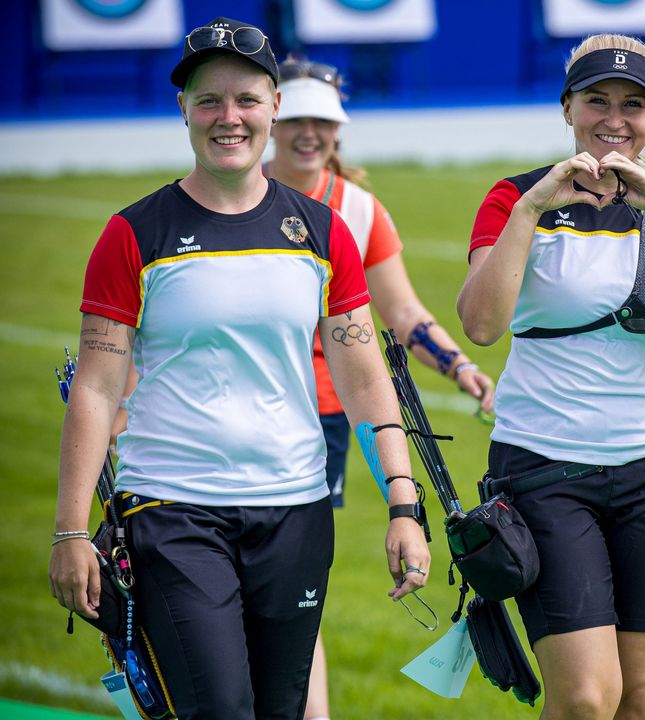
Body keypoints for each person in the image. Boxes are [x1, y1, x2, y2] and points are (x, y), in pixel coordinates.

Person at [47, 18, 431, 718]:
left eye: (248, 99)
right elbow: (98, 389)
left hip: (295, 507)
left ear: (275, 108)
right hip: (173, 506)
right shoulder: (134, 233)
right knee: (219, 707)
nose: (230, 117)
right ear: (184, 111)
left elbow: (366, 377)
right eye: (209, 101)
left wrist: (404, 504)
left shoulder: (321, 232)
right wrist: (72, 531)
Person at [457, 33, 645, 720]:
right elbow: (480, 323)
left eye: (633, 104)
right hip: (545, 470)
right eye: (597, 100)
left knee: (642, 697)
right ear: (567, 108)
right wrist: (532, 209)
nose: (614, 119)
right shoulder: (513, 199)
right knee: (588, 698)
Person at [263, 55, 495, 720]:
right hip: (244, 407)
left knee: (292, 582)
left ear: (340, 130)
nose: (310, 135)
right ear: (275, 119)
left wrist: (460, 367)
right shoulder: (235, 191)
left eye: (324, 122)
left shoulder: (360, 211)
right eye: (299, 120)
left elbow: (403, 314)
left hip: (328, 414)